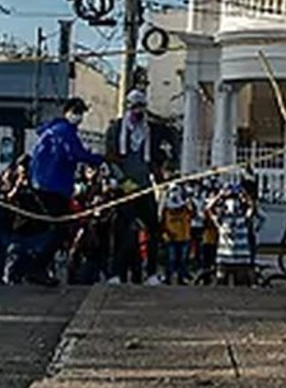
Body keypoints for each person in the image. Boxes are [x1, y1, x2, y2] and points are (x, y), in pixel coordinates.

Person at [25, 97, 104, 286]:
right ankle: (37, 267)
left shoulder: (51, 131)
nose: (79, 116)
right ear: (67, 111)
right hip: (53, 186)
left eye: (81, 112)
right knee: (61, 229)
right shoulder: (64, 131)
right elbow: (76, 153)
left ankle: (38, 266)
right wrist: (100, 159)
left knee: (53, 227)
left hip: (42, 184)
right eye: (76, 111)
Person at [103, 89, 167, 285]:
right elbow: (110, 158)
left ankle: (151, 273)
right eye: (135, 107)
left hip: (145, 186)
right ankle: (115, 273)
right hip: (125, 188)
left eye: (141, 107)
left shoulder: (150, 131)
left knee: (153, 229)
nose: (138, 111)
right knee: (121, 231)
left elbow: (154, 159)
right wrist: (123, 181)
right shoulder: (116, 129)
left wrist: (159, 176)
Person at [160, 184, 193, 285]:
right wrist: (167, 232)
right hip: (170, 238)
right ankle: (168, 278)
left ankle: (181, 278)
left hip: (184, 236)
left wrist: (187, 200)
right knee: (171, 259)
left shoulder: (185, 208)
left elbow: (193, 212)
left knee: (183, 260)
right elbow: (162, 222)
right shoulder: (165, 209)